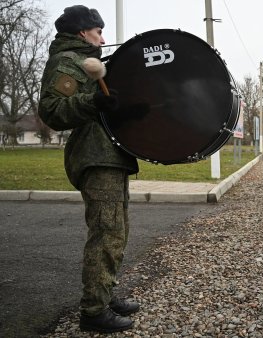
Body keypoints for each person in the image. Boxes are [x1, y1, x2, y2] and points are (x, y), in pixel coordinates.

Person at [38, 5, 140, 333]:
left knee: (116, 231)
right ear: (83, 32)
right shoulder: (68, 61)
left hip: (109, 154)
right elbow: (52, 110)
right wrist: (92, 102)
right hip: (95, 156)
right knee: (106, 233)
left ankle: (105, 294)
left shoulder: (91, 61)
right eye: (98, 31)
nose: (103, 37)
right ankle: (93, 311)